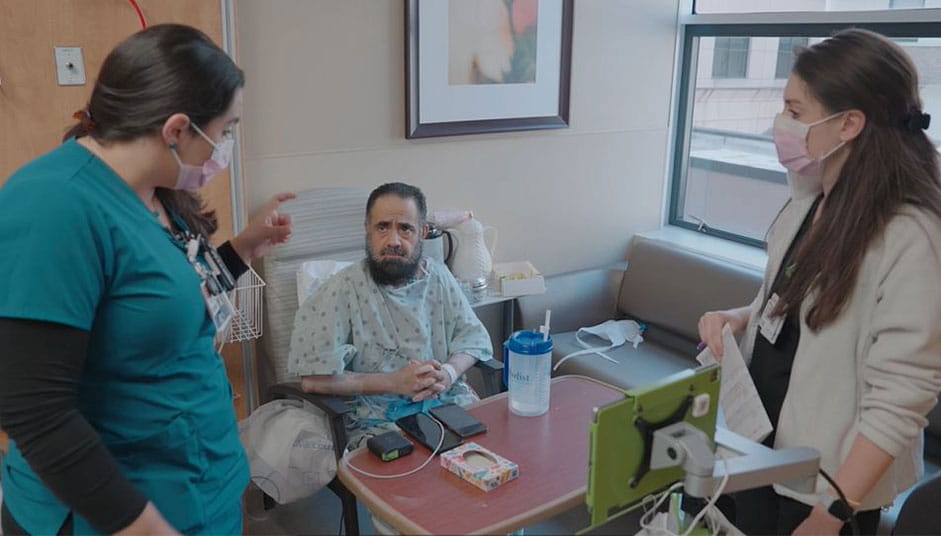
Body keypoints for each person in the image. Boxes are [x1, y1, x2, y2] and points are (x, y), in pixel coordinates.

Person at [0, 24, 294, 535]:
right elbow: (34, 410)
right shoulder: (53, 205)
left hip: (200, 487)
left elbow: (169, 302)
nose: (225, 147)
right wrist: (144, 527)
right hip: (117, 513)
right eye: (225, 130)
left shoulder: (156, 193)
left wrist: (243, 249)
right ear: (177, 130)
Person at [697, 29, 941, 536]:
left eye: (794, 110)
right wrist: (738, 318)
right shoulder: (814, 199)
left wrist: (834, 511)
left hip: (826, 484)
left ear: (849, 123)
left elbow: (902, 396)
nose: (781, 124)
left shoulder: (910, 236)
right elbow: (796, 305)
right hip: (765, 448)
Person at [288, 182, 494, 448]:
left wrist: (449, 372)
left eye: (405, 228)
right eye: (382, 227)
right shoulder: (343, 289)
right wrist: (393, 383)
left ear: (422, 232)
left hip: (447, 405)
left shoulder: (439, 277)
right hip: (379, 421)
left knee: (488, 459)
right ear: (368, 230)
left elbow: (473, 339)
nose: (393, 241)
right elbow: (313, 380)